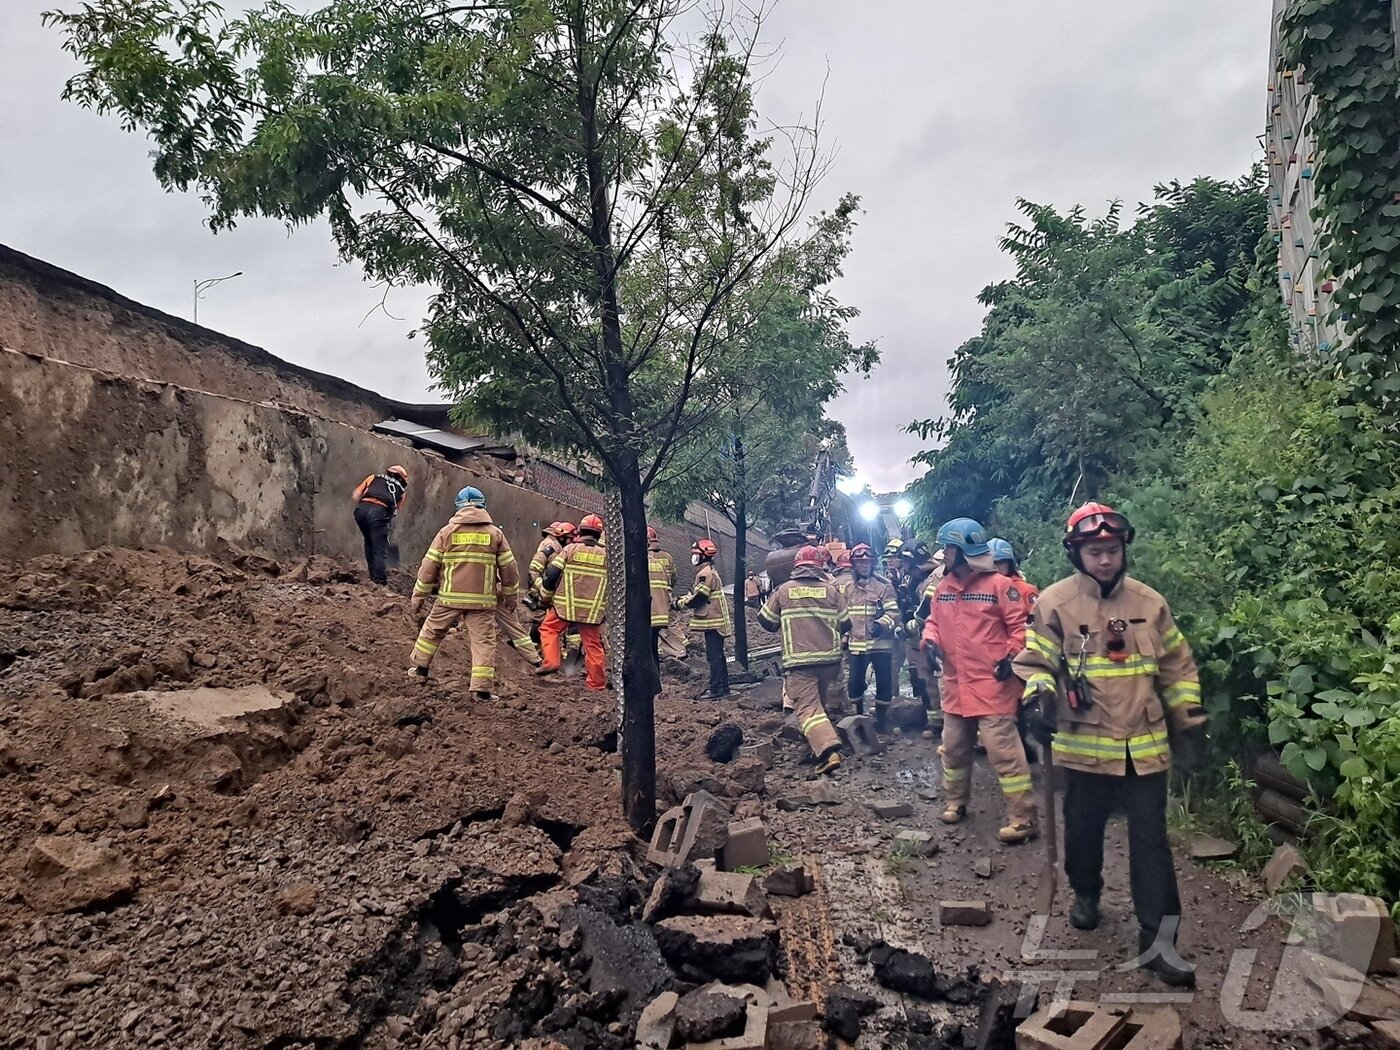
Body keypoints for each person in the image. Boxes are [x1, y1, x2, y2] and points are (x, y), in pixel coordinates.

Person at [1014, 502, 1206, 988]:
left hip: (1144, 746)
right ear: (1076, 554)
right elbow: (1037, 662)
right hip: (1084, 746)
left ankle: (1159, 942)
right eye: (1095, 551)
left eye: (1112, 550)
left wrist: (1188, 715)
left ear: (1123, 550)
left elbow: (1177, 666)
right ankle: (1086, 892)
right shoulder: (1055, 604)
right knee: (1082, 830)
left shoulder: (1150, 603)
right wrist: (1039, 699)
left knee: (1151, 842)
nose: (1105, 559)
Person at [921, 517, 1035, 845]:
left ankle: (1023, 818)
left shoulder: (1000, 586)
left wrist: (1012, 656)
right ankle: (956, 802)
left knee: (1005, 754)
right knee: (954, 750)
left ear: (963, 550)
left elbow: (1021, 627)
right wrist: (930, 641)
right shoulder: (943, 589)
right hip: (956, 686)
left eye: (948, 548)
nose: (944, 554)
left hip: (992, 685)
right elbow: (933, 622)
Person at [407, 486, 519, 700]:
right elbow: (509, 568)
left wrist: (419, 595)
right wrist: (510, 596)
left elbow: (429, 566)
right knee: (483, 642)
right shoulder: (495, 534)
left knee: (432, 631)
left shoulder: (446, 532)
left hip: (449, 598)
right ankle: (482, 691)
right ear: (483, 506)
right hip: (482, 602)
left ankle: (420, 669)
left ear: (458, 507)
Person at [757, 544, 851, 776]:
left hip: (800, 663)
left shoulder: (784, 590)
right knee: (819, 705)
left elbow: (766, 621)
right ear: (820, 566)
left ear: (796, 566)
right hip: (830, 661)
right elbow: (846, 623)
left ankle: (828, 751)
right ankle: (814, 745)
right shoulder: (831, 591)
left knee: (808, 709)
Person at [536, 514, 607, 691]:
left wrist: (546, 596)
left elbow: (551, 574)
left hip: (565, 606)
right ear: (599, 535)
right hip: (592, 611)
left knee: (548, 629)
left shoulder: (570, 550)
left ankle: (551, 662)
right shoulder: (607, 556)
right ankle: (597, 685)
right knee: (593, 645)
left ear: (580, 531)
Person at [840, 543, 898, 729]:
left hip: (881, 645)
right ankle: (858, 718)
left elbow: (894, 613)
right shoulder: (847, 589)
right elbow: (843, 616)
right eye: (860, 563)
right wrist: (844, 637)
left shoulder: (884, 586)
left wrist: (882, 624)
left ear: (873, 564)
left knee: (884, 683)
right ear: (854, 565)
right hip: (857, 645)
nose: (864, 566)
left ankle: (882, 720)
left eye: (867, 563)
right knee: (855, 683)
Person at [675, 538, 732, 700]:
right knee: (718, 656)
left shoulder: (705, 574)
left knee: (713, 657)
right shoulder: (710, 571)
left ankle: (716, 689)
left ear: (703, 556)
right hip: (717, 623)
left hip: (713, 623)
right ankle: (724, 687)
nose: (693, 557)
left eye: (695, 554)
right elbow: (698, 593)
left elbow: (699, 597)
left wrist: (679, 604)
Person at [895, 541, 943, 731]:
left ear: (913, 561)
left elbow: (926, 612)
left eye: (905, 561)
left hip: (931, 638)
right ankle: (932, 720)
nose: (903, 566)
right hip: (918, 640)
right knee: (923, 679)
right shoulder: (916, 578)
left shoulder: (932, 580)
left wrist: (908, 627)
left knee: (933, 680)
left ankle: (939, 723)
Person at [351, 464, 409, 585]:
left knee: (369, 541)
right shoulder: (402, 492)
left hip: (361, 511)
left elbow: (356, 495)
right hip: (379, 514)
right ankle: (379, 580)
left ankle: (372, 575)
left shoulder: (373, 477)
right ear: (403, 479)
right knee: (379, 549)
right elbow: (396, 510)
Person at [526, 522, 575, 643]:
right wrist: (542, 587)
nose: (572, 541)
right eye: (570, 538)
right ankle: (534, 646)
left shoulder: (563, 551)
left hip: (552, 593)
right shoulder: (550, 550)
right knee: (539, 621)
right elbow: (534, 570)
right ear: (562, 537)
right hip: (542, 593)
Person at [647, 526, 676, 675]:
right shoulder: (662, 562)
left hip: (647, 614)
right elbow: (673, 578)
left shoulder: (638, 564)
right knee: (652, 646)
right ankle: (655, 677)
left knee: (645, 649)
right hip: (662, 610)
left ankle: (650, 679)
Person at [990, 538, 1039, 613]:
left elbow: (1038, 617)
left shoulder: (1027, 590)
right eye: (992, 563)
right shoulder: (978, 590)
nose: (995, 567)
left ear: (1010, 563)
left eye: (1000, 562)